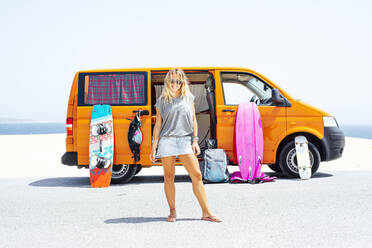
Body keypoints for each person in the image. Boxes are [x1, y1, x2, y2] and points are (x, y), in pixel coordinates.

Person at [149, 68, 222, 223]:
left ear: (182, 82)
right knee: (169, 177)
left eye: (179, 81)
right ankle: (172, 211)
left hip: (184, 141)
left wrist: (195, 140)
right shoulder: (162, 101)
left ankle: (206, 212)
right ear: (167, 82)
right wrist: (154, 147)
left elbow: (193, 120)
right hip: (167, 141)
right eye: (172, 81)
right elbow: (158, 125)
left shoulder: (188, 98)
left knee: (196, 175)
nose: (175, 84)